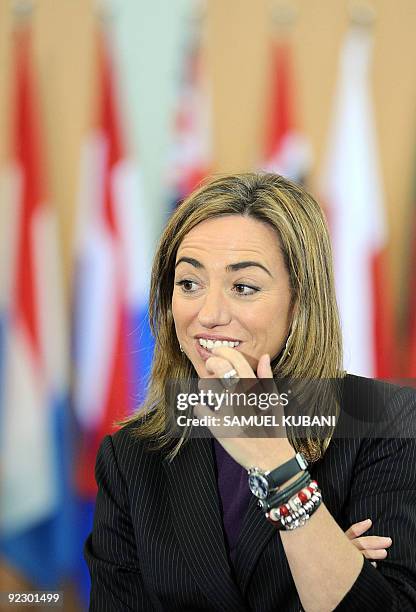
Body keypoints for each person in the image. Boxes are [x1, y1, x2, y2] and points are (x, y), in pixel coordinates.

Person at [85, 173, 416, 611]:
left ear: (299, 301)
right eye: (189, 283)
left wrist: (276, 465)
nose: (209, 314)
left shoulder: (385, 421)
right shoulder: (131, 456)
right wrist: (327, 571)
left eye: (243, 287)